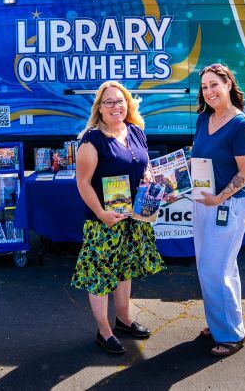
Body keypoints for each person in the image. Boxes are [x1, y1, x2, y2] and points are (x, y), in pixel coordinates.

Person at [71, 80, 165, 356]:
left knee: (124, 271)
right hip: (104, 222)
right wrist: (101, 213)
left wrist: (148, 175)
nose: (115, 106)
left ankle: (123, 320)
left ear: (128, 104)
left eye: (120, 100)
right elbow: (83, 183)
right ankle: (104, 331)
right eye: (109, 102)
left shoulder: (136, 131)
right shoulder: (92, 140)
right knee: (101, 277)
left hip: (132, 218)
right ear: (99, 108)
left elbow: (143, 165)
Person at [191, 63, 245, 357]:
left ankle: (231, 334)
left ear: (228, 84)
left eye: (214, 84)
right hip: (203, 204)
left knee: (214, 269)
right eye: (204, 87)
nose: (208, 91)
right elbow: (199, 161)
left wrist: (220, 197)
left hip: (229, 206)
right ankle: (219, 322)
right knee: (218, 269)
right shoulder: (203, 119)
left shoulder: (241, 125)